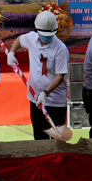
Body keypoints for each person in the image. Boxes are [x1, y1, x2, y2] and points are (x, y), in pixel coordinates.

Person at [7, 11, 69, 140]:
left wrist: (45, 93)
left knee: (58, 140)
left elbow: (59, 76)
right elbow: (19, 40)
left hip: (55, 101)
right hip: (35, 98)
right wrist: (12, 53)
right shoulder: (31, 38)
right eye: (43, 34)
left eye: (49, 35)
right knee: (39, 138)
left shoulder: (61, 49)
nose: (46, 38)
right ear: (37, 30)